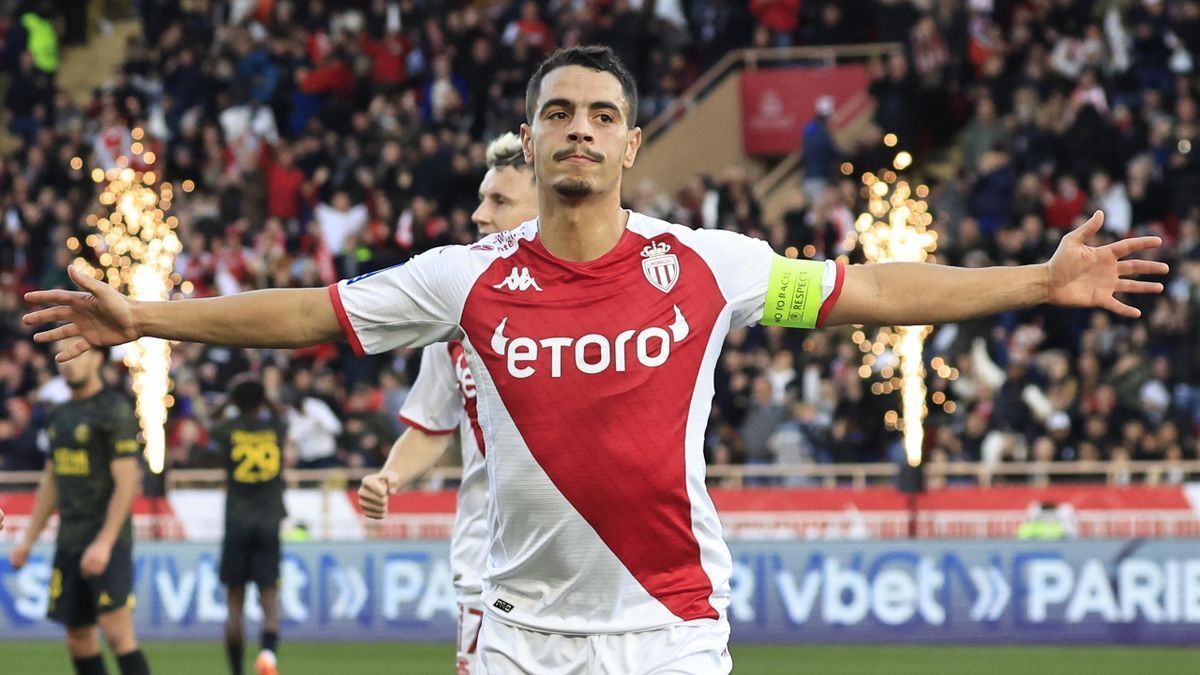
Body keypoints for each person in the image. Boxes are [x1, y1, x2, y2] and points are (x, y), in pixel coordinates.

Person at [24, 45, 1167, 673]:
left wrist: (1035, 280)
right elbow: (309, 314)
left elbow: (865, 288)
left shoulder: (708, 265)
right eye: (556, 112)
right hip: (518, 637)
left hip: (670, 635)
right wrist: (149, 317)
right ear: (530, 138)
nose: (577, 129)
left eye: (600, 113)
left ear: (629, 139)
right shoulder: (464, 278)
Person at [357, 131, 537, 675]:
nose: (480, 215)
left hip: (582, 560)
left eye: (500, 201)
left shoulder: (599, 304)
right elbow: (433, 424)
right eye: (481, 199)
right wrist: (390, 476)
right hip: (486, 558)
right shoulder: (457, 310)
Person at [8, 342, 150, 675]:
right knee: (78, 638)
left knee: (118, 634)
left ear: (99, 358)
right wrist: (28, 539)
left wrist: (104, 542)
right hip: (69, 541)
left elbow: (127, 483)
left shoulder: (113, 410)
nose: (68, 364)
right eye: (63, 357)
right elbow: (52, 480)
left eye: (77, 355)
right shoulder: (58, 414)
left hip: (106, 541)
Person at [211, 375, 288, 675]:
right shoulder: (275, 429)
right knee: (269, 600)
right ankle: (267, 655)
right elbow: (284, 415)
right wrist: (265, 398)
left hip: (237, 523)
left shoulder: (228, 429)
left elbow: (209, 422)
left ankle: (236, 671)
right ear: (261, 402)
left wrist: (230, 400)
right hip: (269, 522)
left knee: (234, 606)